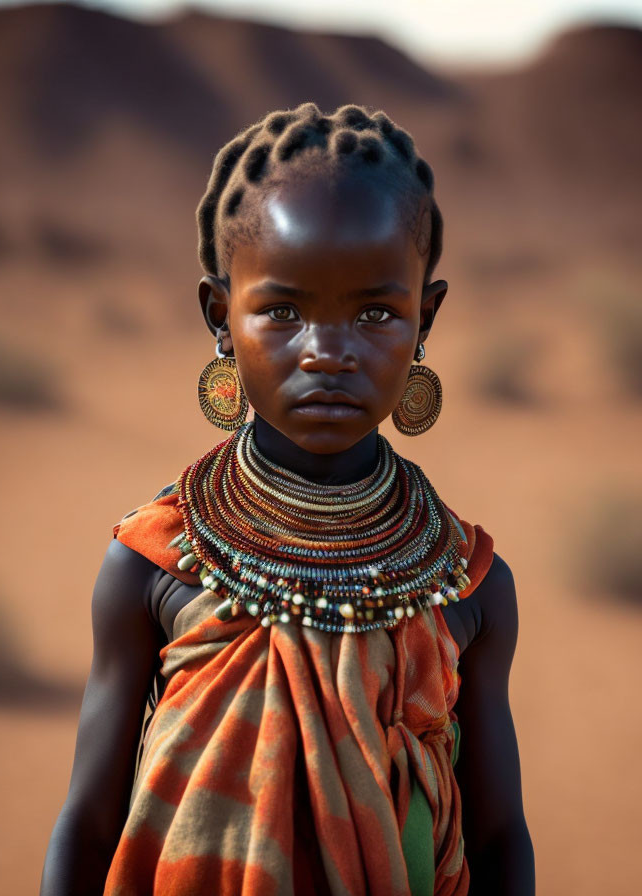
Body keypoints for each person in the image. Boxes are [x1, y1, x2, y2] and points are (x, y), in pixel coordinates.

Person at [40, 102, 535, 895]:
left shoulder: (468, 586)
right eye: (282, 311)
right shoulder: (154, 563)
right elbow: (89, 825)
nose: (329, 352)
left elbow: (501, 836)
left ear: (426, 319)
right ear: (220, 319)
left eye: (377, 312)